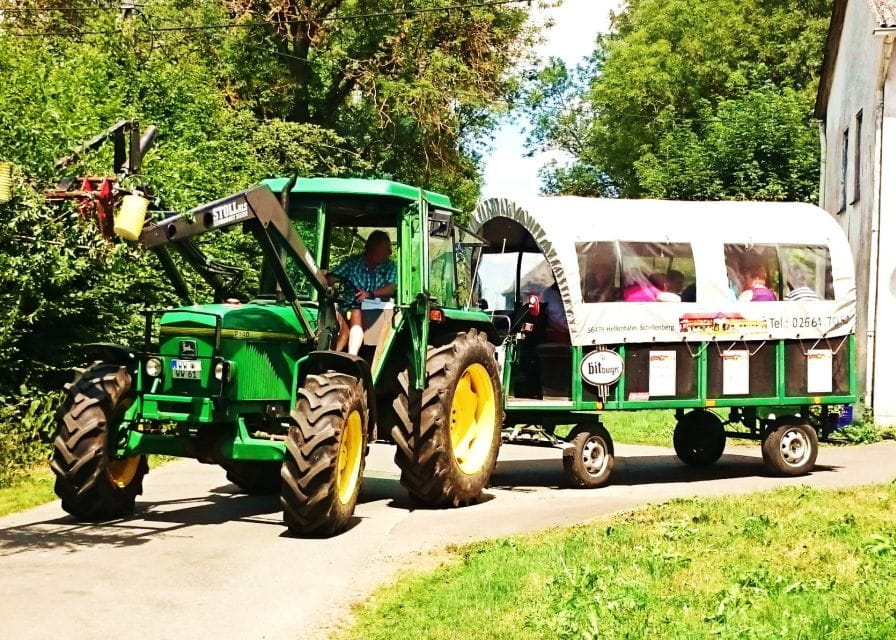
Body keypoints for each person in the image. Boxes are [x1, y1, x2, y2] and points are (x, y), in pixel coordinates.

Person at [326, 230, 397, 355]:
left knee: (356, 310)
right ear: (372, 249)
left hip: (377, 310)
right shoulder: (353, 263)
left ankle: (352, 356)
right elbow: (331, 278)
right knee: (342, 315)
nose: (388, 253)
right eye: (385, 249)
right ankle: (331, 355)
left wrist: (370, 294)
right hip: (348, 305)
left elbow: (391, 288)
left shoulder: (390, 266)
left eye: (388, 250)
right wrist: (329, 282)